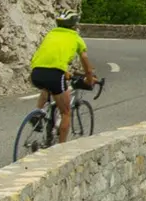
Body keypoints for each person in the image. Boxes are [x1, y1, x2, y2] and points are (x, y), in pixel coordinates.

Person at [27, 9, 97, 144]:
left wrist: (65, 73)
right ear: (74, 25)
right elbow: (87, 66)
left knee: (47, 88)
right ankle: (61, 149)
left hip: (36, 72)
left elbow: (51, 58)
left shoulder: (50, 34)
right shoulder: (76, 38)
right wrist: (89, 80)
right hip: (55, 74)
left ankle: (38, 112)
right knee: (66, 113)